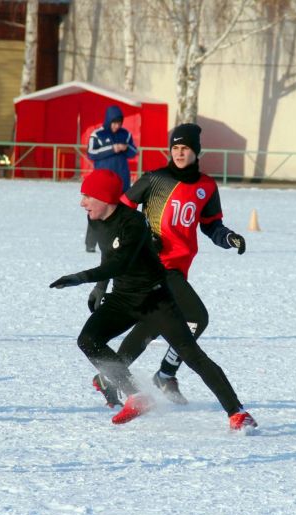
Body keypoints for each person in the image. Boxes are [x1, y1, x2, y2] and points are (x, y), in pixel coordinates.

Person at [49, 169, 257, 431]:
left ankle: (237, 412)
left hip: (154, 299)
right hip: (123, 298)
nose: (82, 203)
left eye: (88, 196)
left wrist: (81, 278)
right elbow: (107, 255)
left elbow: (120, 262)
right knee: (88, 340)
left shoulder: (134, 222)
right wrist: (100, 288)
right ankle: (136, 395)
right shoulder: (96, 220)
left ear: (105, 197)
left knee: (191, 354)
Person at [89, 122, 246, 407]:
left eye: (185, 148)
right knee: (196, 318)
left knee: (151, 325)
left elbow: (211, 225)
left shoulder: (206, 186)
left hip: (177, 269)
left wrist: (228, 238)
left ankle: (111, 377)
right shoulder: (154, 179)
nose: (179, 153)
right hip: (154, 266)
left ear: (196, 151)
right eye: (175, 147)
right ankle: (165, 374)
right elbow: (117, 218)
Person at [84, 104, 138, 252]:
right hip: (102, 183)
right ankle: (90, 244)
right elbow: (91, 153)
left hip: (122, 181)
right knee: (96, 212)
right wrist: (113, 148)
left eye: (119, 123)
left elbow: (134, 151)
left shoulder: (125, 134)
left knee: (122, 213)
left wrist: (125, 147)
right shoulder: (97, 134)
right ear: (108, 121)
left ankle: (119, 242)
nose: (116, 126)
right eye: (114, 123)